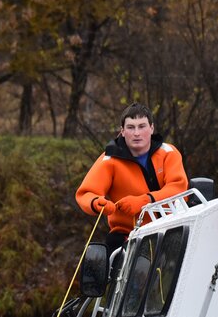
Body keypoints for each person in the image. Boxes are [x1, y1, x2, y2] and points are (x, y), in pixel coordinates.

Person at [75, 102, 189, 257]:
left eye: (142, 126)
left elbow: (179, 189)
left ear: (152, 128)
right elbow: (86, 193)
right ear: (122, 131)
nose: (137, 133)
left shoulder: (168, 152)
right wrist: (96, 203)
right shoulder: (109, 160)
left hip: (172, 231)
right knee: (100, 267)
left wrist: (144, 200)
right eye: (131, 127)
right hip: (126, 235)